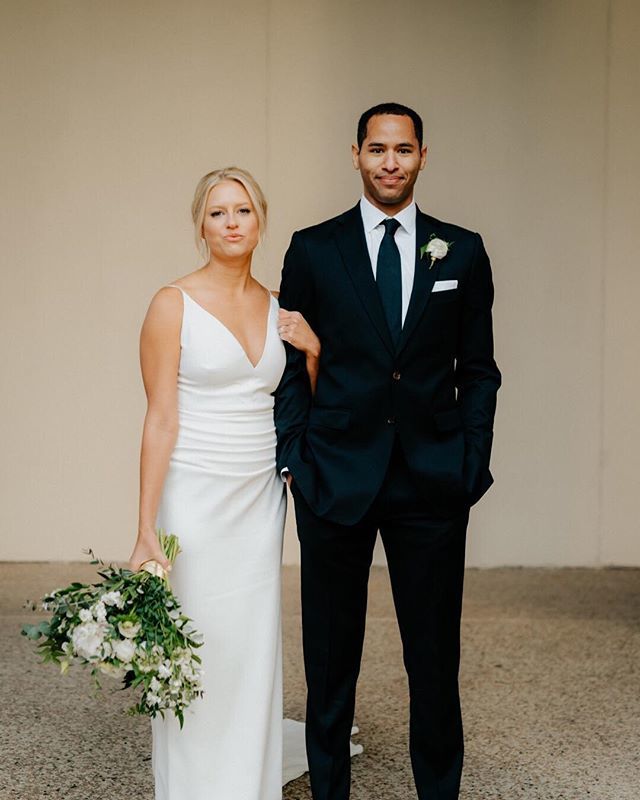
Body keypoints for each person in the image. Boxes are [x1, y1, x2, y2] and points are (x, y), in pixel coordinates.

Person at [275, 102, 501, 800]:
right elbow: (289, 363)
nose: (391, 162)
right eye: (378, 149)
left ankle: (439, 790)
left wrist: (470, 461)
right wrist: (295, 458)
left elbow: (479, 370)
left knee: (433, 658)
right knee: (330, 657)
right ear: (356, 155)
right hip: (335, 476)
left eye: (404, 149)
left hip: (432, 482)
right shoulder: (314, 248)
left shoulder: (460, 250)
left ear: (423, 157)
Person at [127, 167, 323, 800]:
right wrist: (144, 529)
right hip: (196, 492)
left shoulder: (278, 308)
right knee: (198, 637)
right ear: (201, 225)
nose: (232, 222)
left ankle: (248, 781)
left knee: (249, 641)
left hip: (260, 497)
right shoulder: (171, 303)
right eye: (218, 213)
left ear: (260, 220)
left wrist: (314, 354)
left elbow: (304, 410)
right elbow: (159, 418)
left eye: (243, 210)